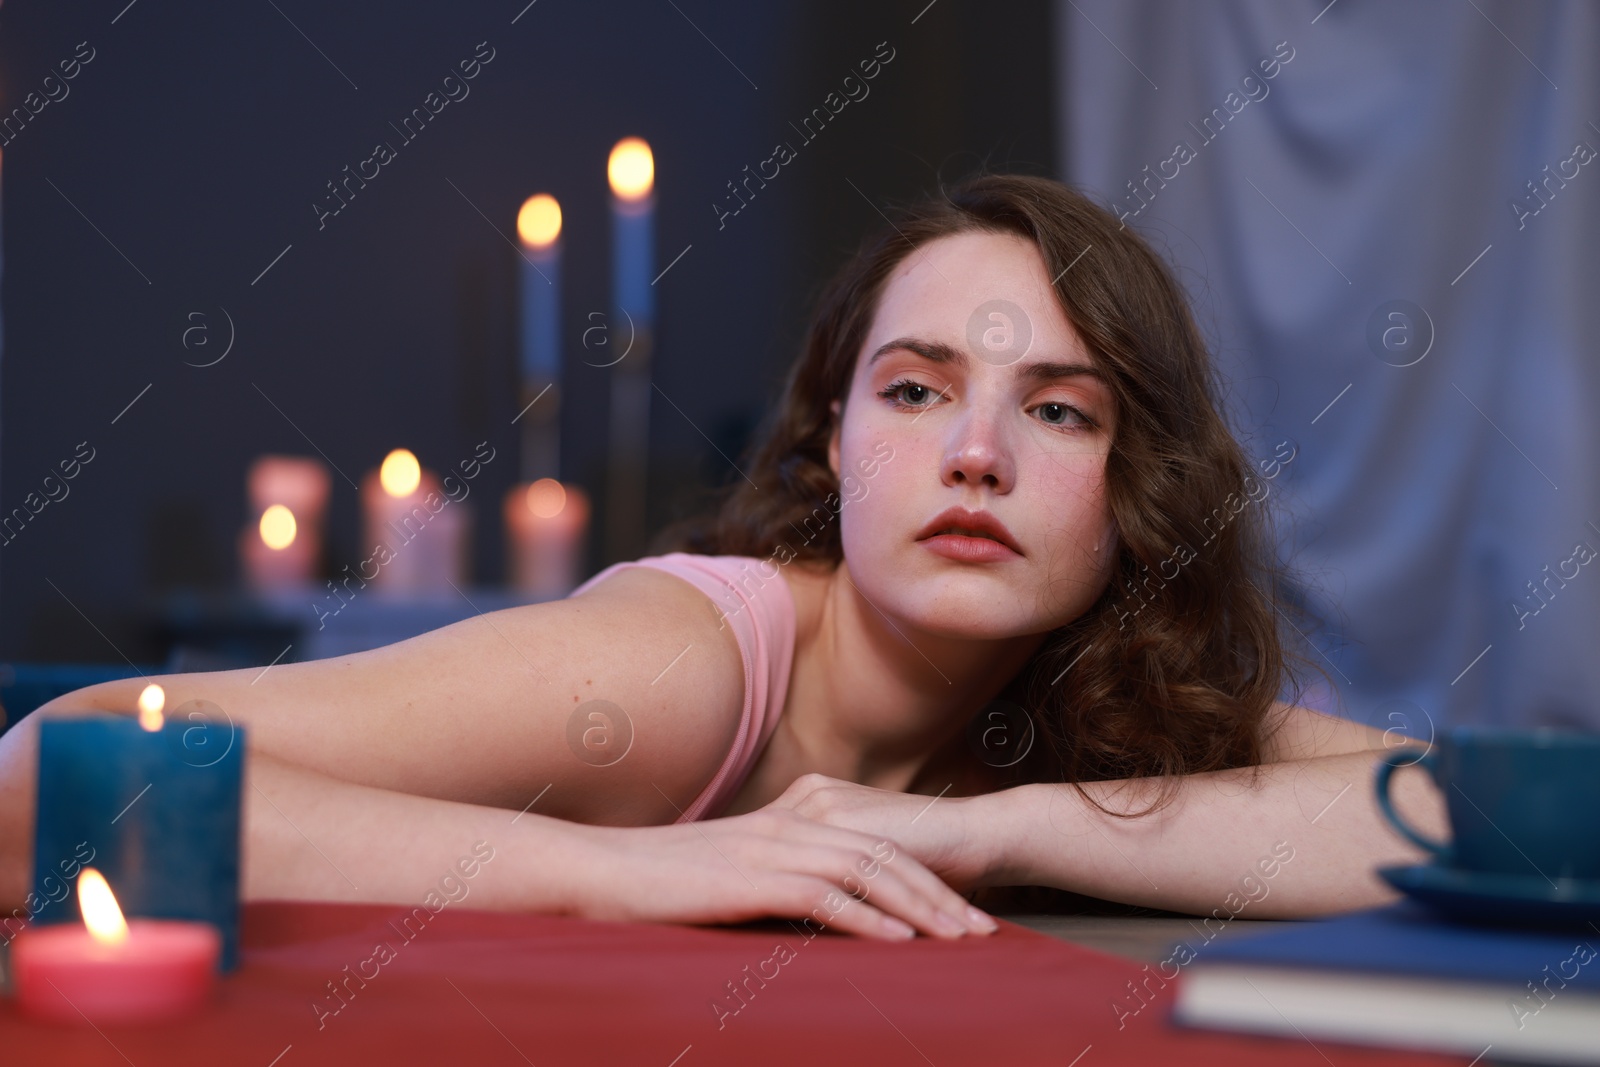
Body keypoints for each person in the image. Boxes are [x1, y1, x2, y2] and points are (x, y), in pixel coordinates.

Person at [0, 173, 1446, 942]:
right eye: (916, 389)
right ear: (830, 446)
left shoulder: (1097, 692)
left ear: (1137, 492)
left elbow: (1458, 826)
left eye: (1059, 411)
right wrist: (632, 873)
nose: (976, 453)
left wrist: (994, 827)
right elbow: (49, 784)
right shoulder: (686, 668)